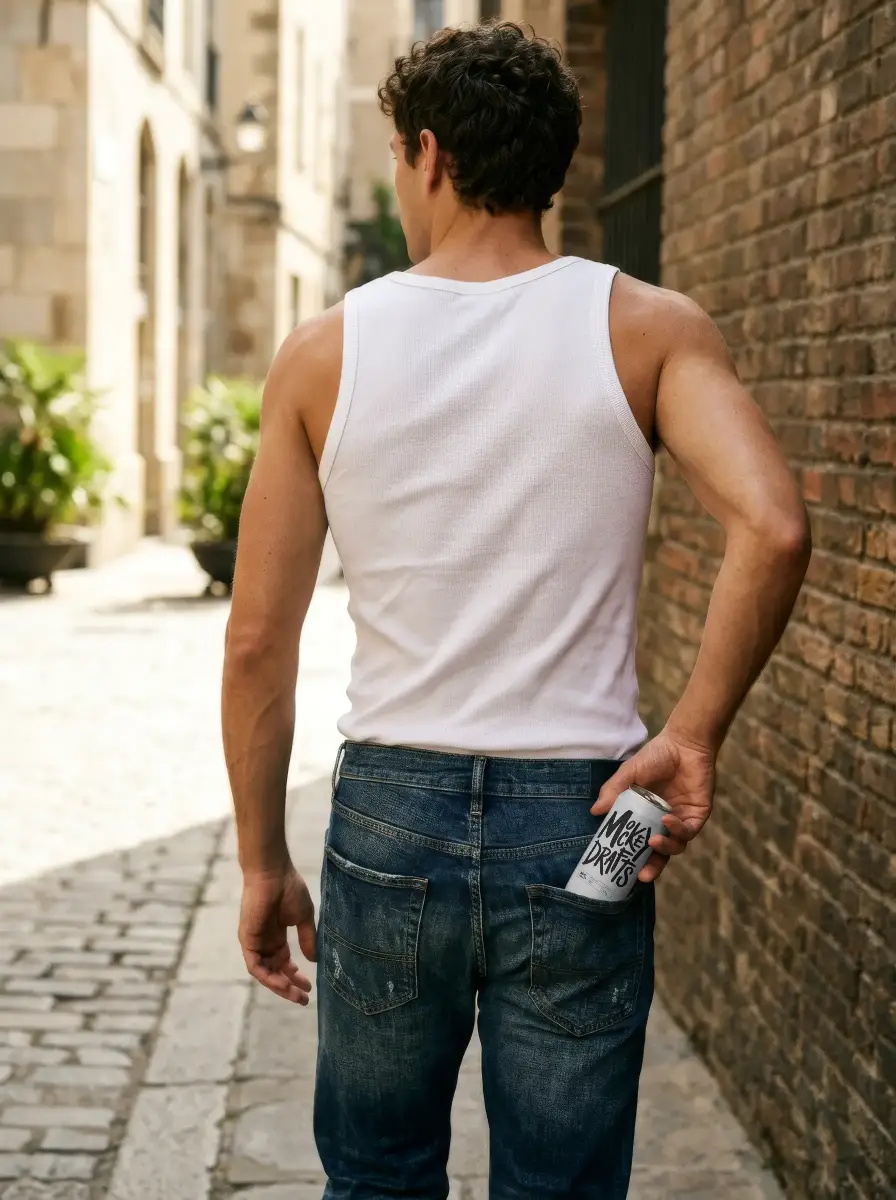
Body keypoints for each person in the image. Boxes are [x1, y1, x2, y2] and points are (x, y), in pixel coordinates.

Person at [221, 21, 811, 1200]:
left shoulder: (321, 353)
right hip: (586, 818)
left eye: (396, 158)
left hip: (389, 817)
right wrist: (689, 734)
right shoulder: (647, 328)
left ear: (427, 154)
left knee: (377, 1179)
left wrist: (260, 861)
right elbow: (773, 525)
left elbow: (255, 645)